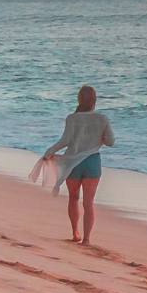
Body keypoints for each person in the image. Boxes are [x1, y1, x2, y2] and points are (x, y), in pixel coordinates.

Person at [43, 85, 115, 244]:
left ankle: (75, 233)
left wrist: (49, 152)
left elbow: (65, 141)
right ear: (94, 101)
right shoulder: (102, 119)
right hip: (92, 162)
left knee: (73, 199)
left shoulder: (72, 118)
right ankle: (87, 239)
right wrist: (98, 139)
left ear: (78, 99)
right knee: (88, 202)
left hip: (73, 163)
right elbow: (110, 142)